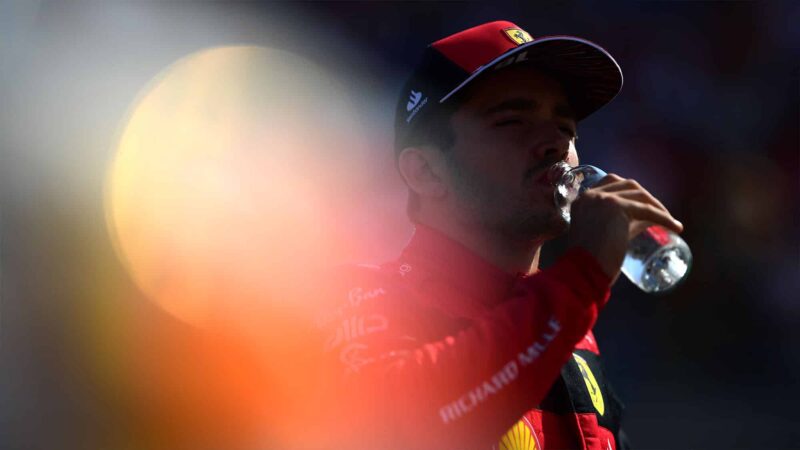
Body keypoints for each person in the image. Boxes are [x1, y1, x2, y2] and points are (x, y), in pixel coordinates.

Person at [313, 20, 683, 450]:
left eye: (566, 127)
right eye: (512, 121)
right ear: (426, 171)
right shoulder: (355, 299)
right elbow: (404, 423)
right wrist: (579, 281)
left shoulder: (570, 329)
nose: (554, 143)